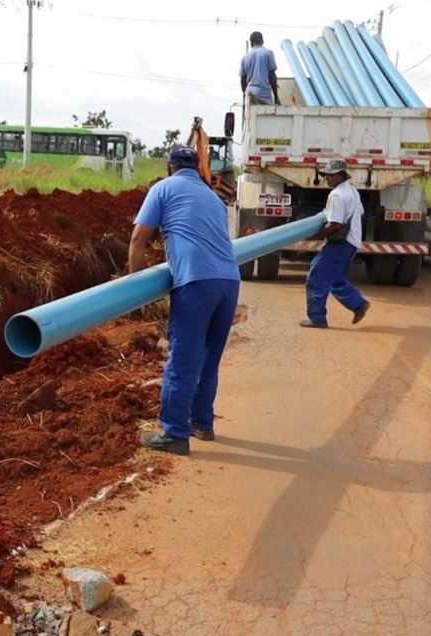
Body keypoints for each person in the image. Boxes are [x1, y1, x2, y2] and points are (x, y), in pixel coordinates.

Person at [130, 146, 241, 455]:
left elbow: (139, 237)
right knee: (208, 357)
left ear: (169, 167)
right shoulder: (213, 197)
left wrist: (134, 283)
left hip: (196, 282)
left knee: (182, 360)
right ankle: (202, 424)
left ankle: (175, 433)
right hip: (229, 282)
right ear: (198, 168)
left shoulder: (163, 189)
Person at [301, 159, 370, 328]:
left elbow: (336, 223)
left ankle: (317, 318)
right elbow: (360, 212)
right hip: (352, 242)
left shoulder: (337, 194)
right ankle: (358, 304)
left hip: (341, 243)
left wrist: (316, 236)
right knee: (335, 277)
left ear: (340, 175)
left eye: (330, 176)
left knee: (317, 275)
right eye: (326, 176)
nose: (327, 179)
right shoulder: (352, 190)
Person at [240, 31, 279, 106]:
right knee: (265, 116)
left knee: (252, 117)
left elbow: (242, 80)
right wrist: (276, 97)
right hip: (264, 93)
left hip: (250, 92)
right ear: (262, 41)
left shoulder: (245, 57)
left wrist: (245, 93)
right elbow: (272, 76)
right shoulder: (268, 53)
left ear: (251, 43)